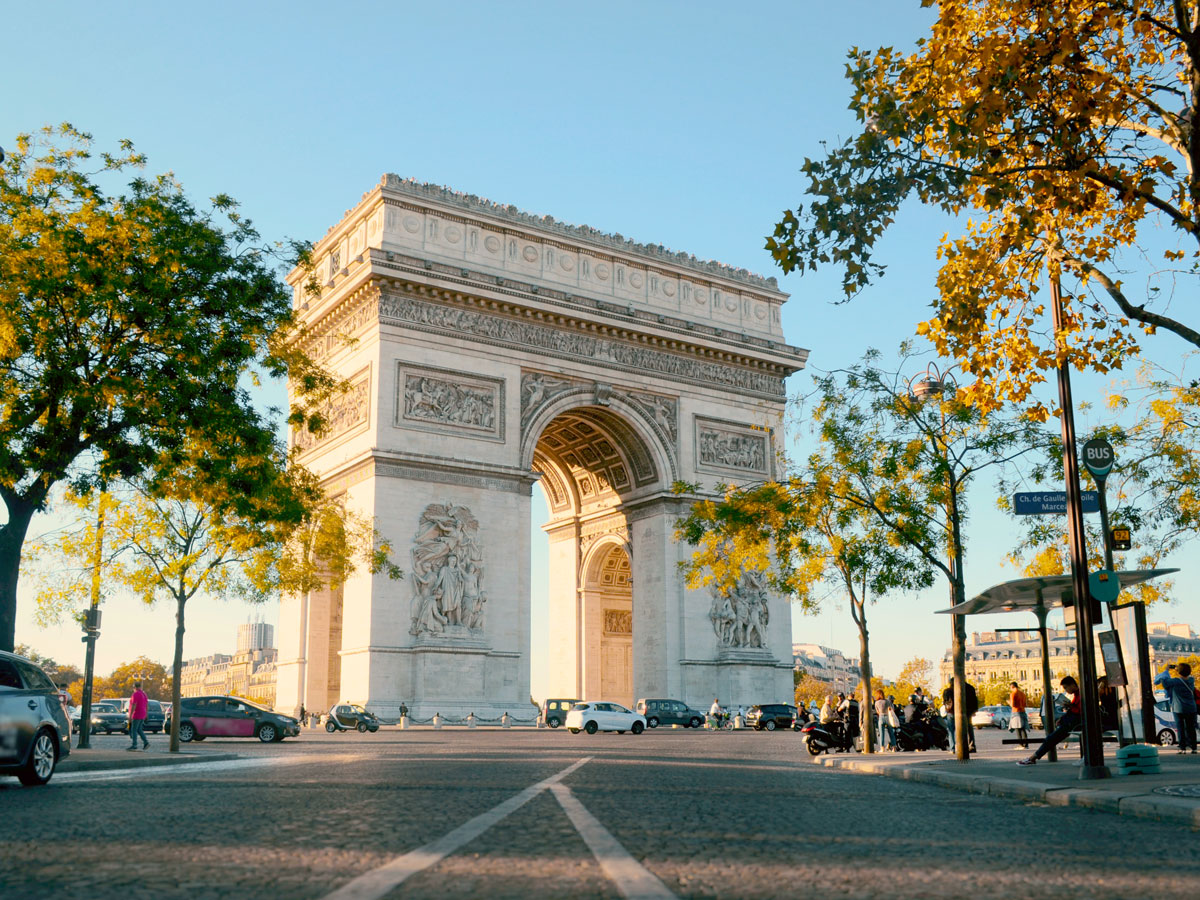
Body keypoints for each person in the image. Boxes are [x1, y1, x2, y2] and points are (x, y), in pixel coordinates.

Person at [1019, 676, 1083, 765]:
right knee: (1051, 738)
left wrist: (1070, 707)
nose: (1066, 690)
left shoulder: (1080, 695)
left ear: (1072, 685)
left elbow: (1079, 711)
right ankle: (1034, 757)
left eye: (1065, 688)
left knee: (1051, 738)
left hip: (1073, 724)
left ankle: (1033, 757)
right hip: (1072, 723)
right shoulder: (1077, 695)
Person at [1154, 663, 1198, 753]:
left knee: (1180, 728)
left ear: (1178, 671)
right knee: (1191, 728)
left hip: (1179, 708)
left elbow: (1165, 683)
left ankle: (1183, 748)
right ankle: (1193, 747)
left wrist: (1166, 670)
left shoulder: (1175, 681)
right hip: (1191, 707)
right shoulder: (1191, 680)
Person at [127, 680, 150, 751]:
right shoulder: (144, 694)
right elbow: (146, 705)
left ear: (134, 687)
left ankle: (134, 745)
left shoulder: (136, 694)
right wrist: (146, 714)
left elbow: (134, 705)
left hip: (136, 714)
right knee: (139, 729)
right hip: (142, 714)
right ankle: (146, 742)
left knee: (134, 730)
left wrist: (130, 715)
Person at [1008, 682, 1029, 749]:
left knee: (1017, 729)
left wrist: (1009, 702)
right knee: (1023, 729)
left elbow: (1012, 705)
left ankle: (1021, 744)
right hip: (1022, 711)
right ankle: (1026, 744)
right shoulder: (1023, 694)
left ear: (1012, 687)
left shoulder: (1013, 694)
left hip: (1016, 712)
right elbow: (1025, 704)